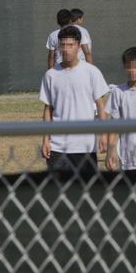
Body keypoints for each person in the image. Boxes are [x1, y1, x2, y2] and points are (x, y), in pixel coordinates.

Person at [39, 25, 109, 176]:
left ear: (78, 46)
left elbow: (100, 106)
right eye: (63, 45)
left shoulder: (91, 72)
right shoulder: (50, 75)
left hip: (85, 145)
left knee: (87, 186)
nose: (66, 49)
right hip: (57, 146)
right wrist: (45, 140)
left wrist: (104, 134)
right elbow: (48, 109)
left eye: (70, 45)